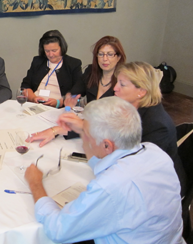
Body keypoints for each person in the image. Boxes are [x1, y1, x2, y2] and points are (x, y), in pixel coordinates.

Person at [25, 96, 184, 243]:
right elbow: (109, 163)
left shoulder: (110, 186)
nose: (83, 140)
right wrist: (83, 129)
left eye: (86, 134)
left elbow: (58, 229)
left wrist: (35, 183)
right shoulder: (155, 152)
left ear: (107, 145)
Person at [114, 61, 186, 197]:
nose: (115, 88)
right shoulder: (130, 109)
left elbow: (140, 168)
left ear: (141, 91)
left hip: (161, 190)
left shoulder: (157, 125)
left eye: (122, 84)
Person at [21, 30, 82, 108]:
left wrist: (59, 102)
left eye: (54, 51)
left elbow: (78, 91)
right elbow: (25, 86)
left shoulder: (73, 64)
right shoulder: (37, 61)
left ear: (62, 48)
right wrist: (33, 98)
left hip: (59, 107)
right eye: (47, 51)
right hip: (35, 105)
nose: (50, 54)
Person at [67, 35, 126, 105]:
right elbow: (74, 93)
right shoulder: (91, 71)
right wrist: (69, 99)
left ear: (118, 57)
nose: (105, 59)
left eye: (110, 54)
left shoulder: (125, 79)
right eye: (101, 54)